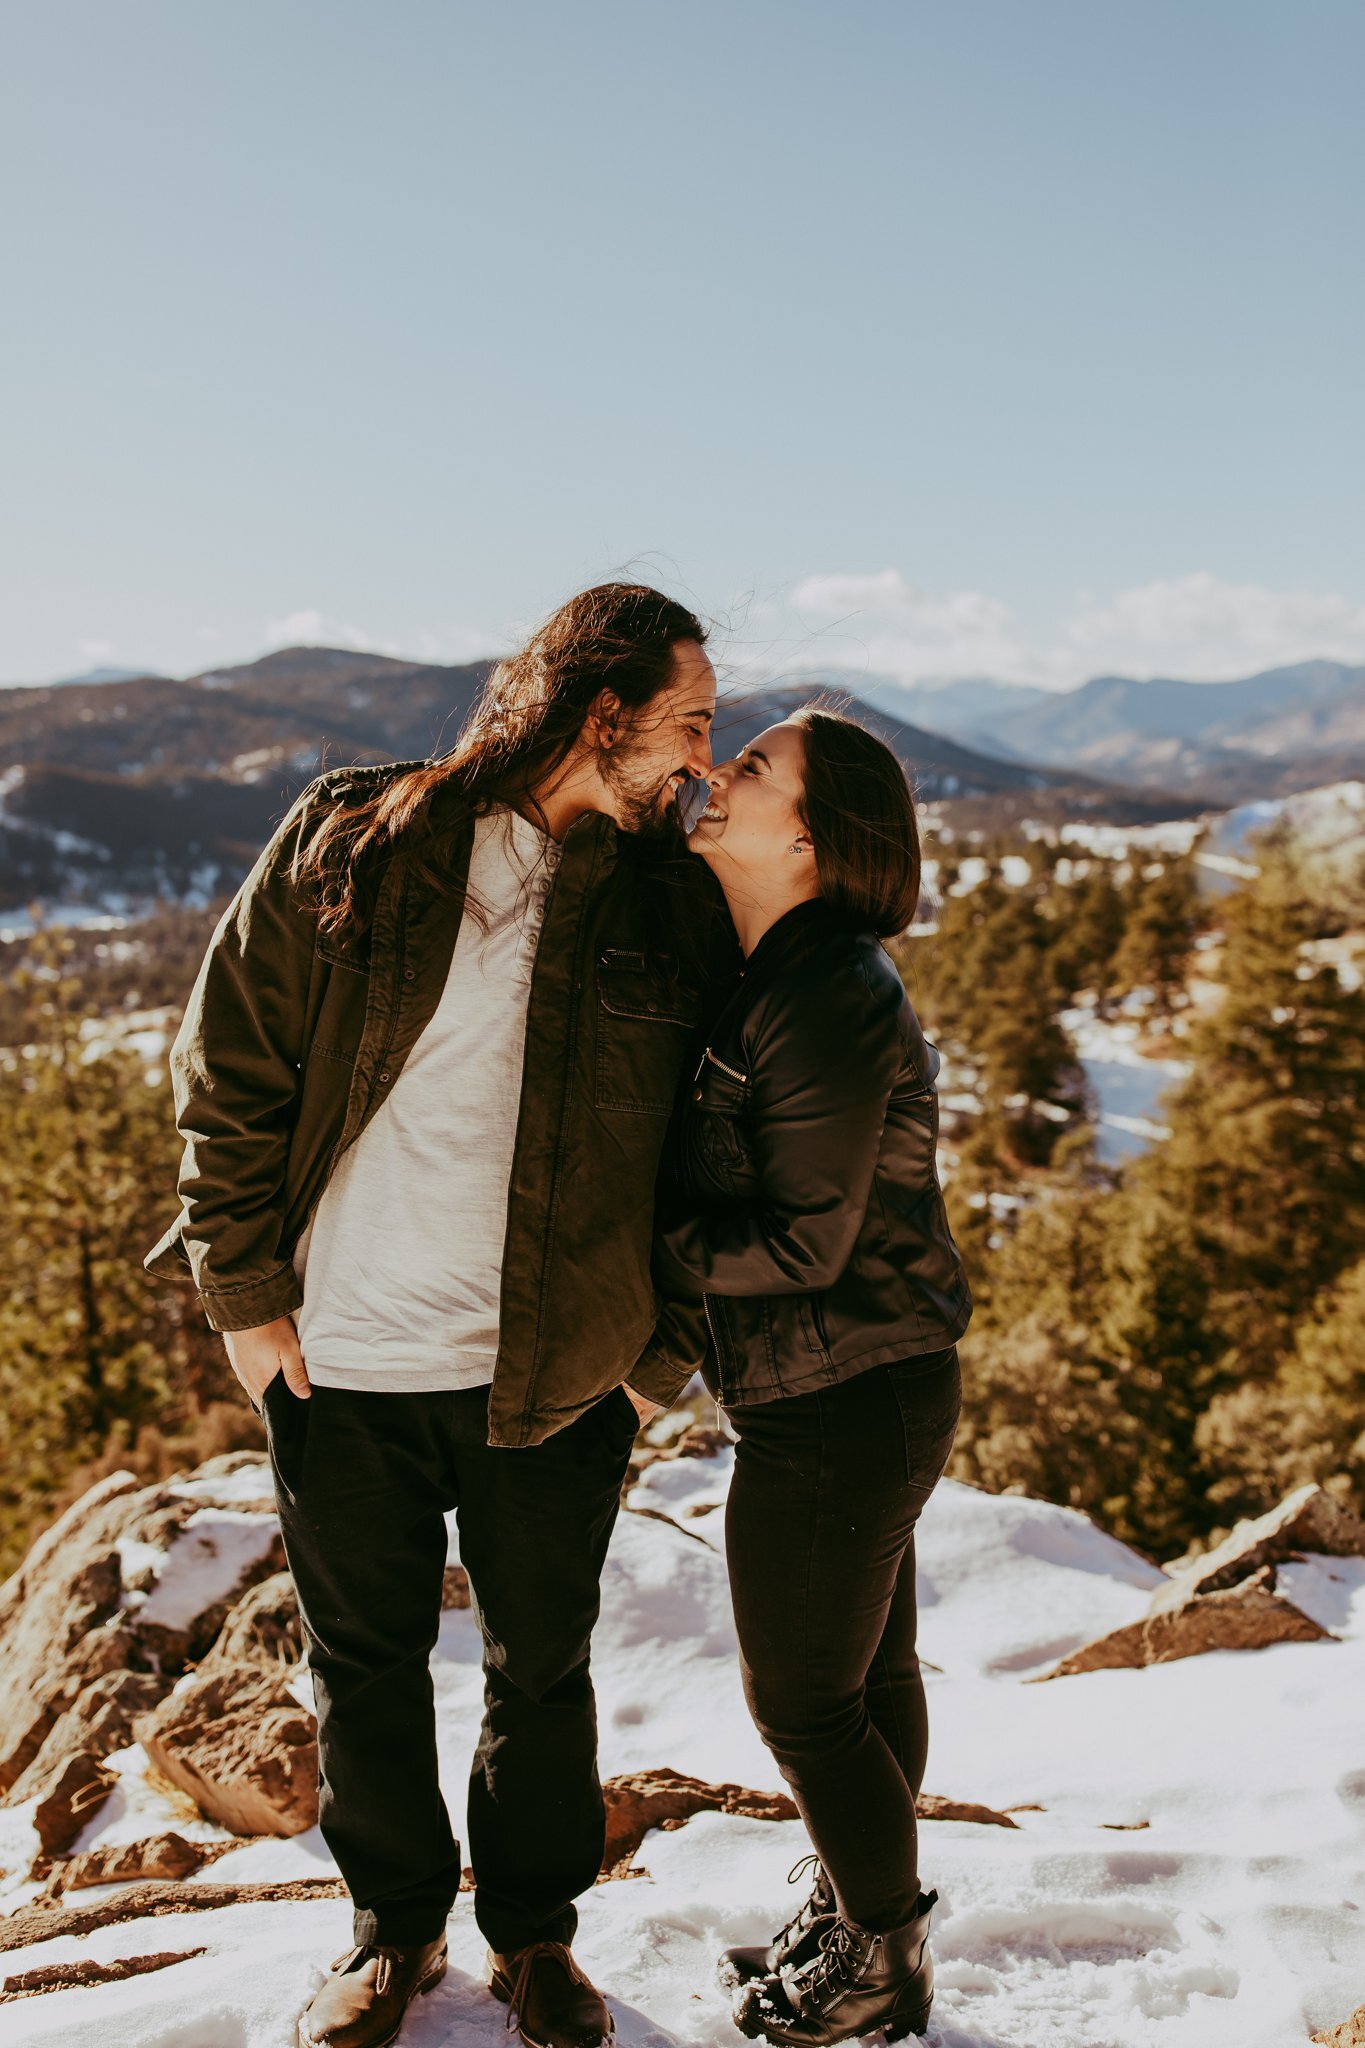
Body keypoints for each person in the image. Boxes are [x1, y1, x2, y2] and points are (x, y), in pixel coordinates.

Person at [145, 584, 736, 2048]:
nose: (700, 762)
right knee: (364, 1667)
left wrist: (656, 1361)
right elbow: (229, 1065)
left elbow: (710, 1158)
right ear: (600, 713)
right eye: (687, 722)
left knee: (544, 1671)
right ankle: (390, 1930)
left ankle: (534, 1936)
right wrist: (244, 1297)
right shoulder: (359, 835)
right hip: (337, 1352)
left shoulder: (671, 901)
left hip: (555, 1372)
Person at [652, 706, 973, 2046]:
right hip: (855, 1385)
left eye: (753, 767)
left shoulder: (829, 987)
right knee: (863, 1675)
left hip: (843, 1401)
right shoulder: (780, 966)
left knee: (800, 1700)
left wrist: (638, 1252)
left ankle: (881, 1964)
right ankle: (860, 1914)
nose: (719, 777)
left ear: (809, 834)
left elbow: (801, 1238)